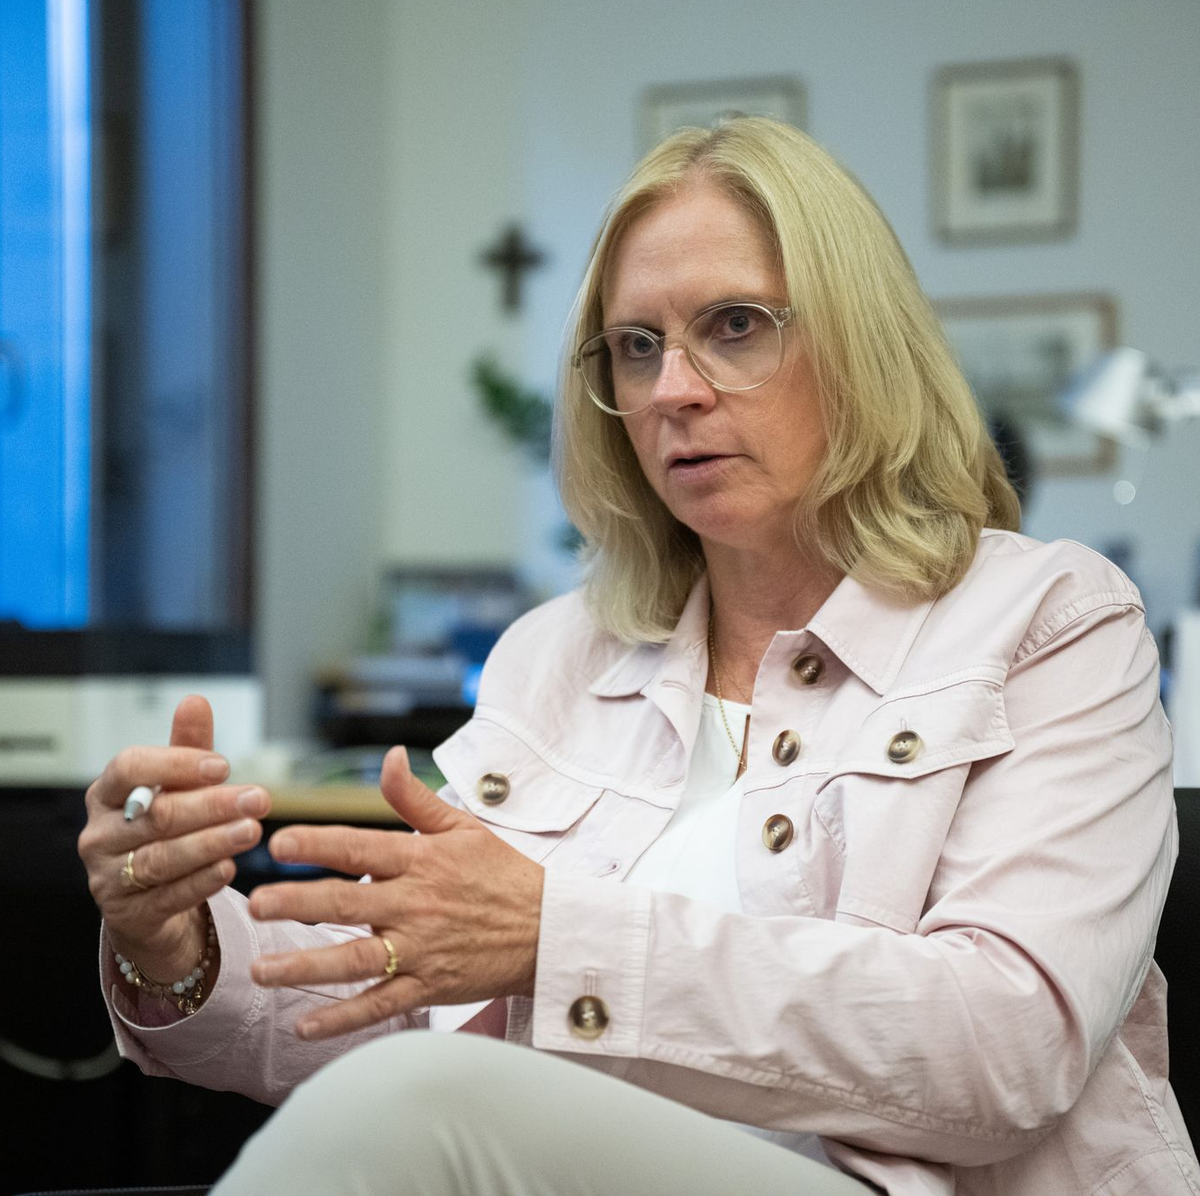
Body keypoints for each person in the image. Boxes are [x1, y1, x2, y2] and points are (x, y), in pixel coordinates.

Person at [79, 118, 1198, 1194]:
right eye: (638, 345)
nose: (675, 390)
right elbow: (405, 1003)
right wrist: (174, 943)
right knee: (412, 1092)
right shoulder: (559, 655)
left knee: (421, 1105)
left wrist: (559, 943)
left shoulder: (1051, 621)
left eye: (736, 326)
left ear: (861, 342)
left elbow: (1009, 1046)